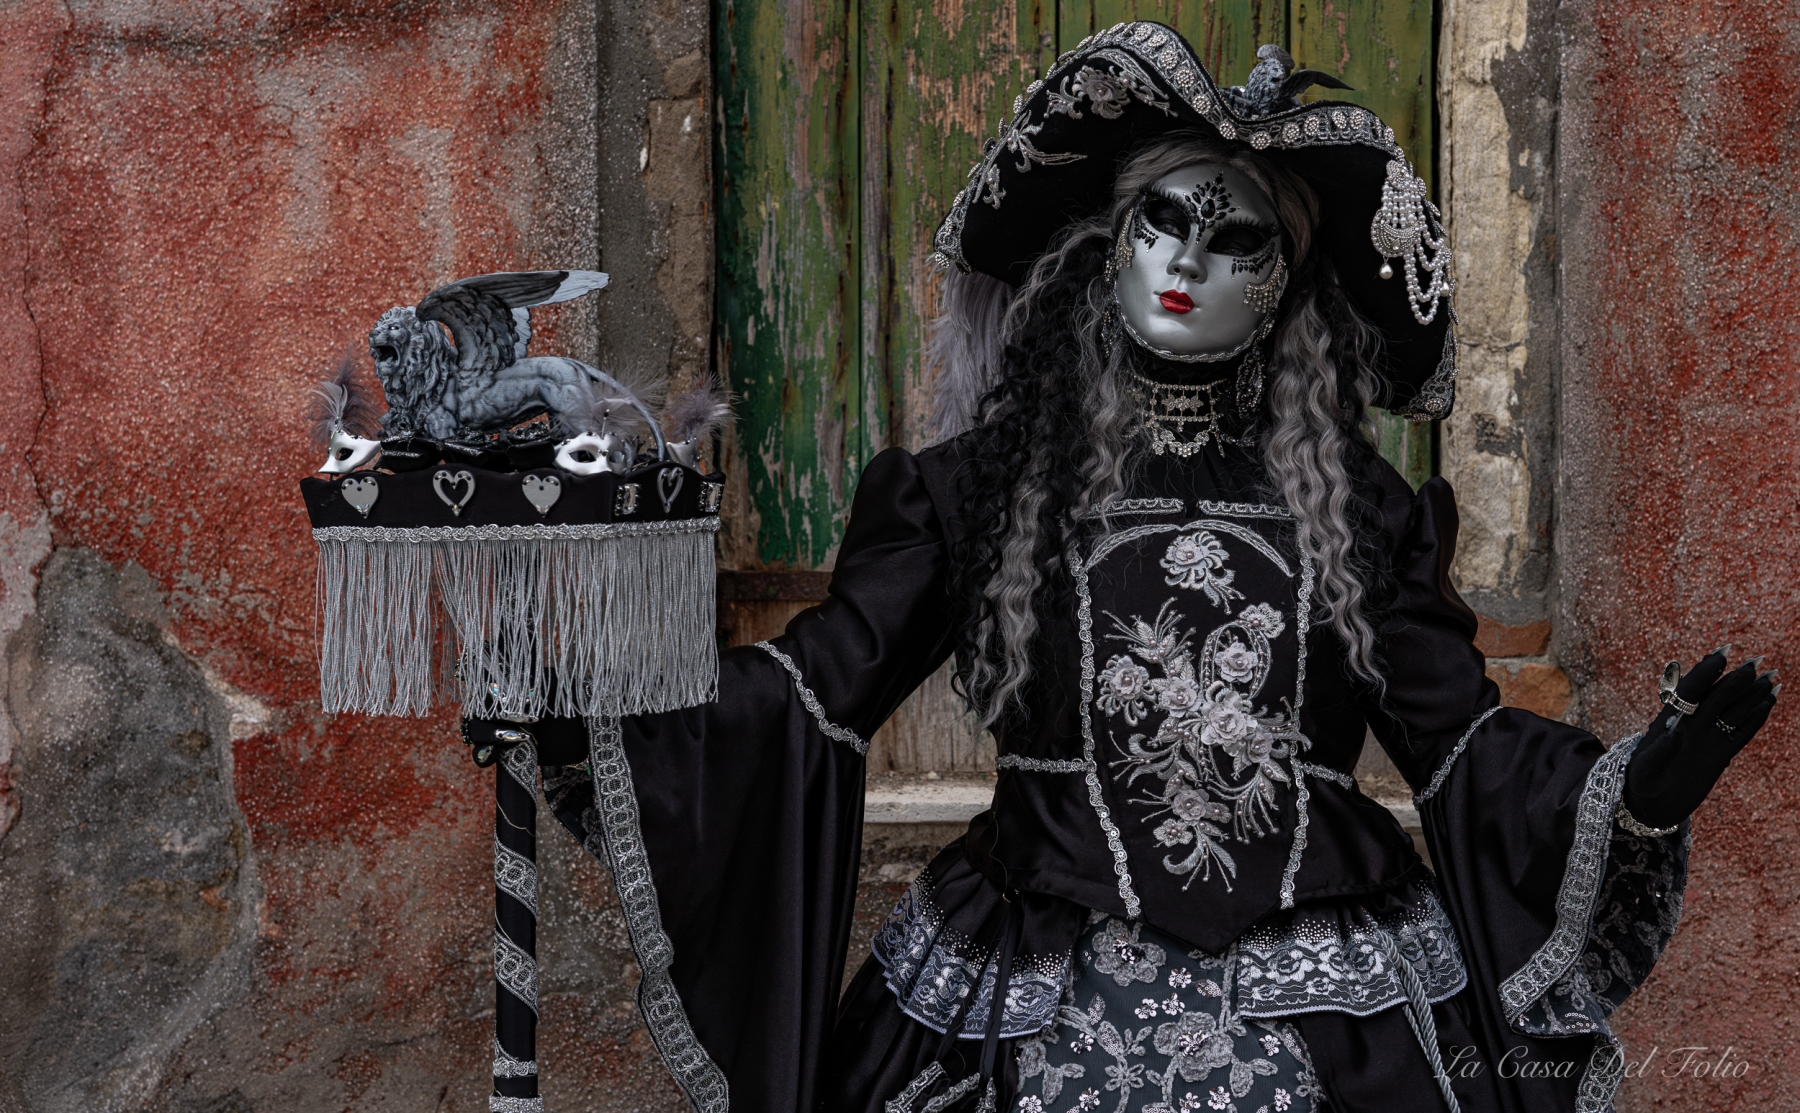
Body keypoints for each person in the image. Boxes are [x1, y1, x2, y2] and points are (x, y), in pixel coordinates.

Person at [466, 24, 1776, 1113]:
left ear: (1287, 287)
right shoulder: (975, 491)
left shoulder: (1368, 517)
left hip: (1333, 990)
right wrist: (600, 719)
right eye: (1163, 217)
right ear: (1111, 236)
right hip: (1028, 975)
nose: (1189, 256)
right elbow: (812, 694)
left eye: (1238, 237)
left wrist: (1629, 792)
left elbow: (1461, 745)